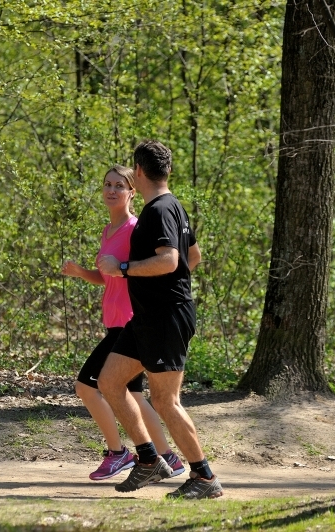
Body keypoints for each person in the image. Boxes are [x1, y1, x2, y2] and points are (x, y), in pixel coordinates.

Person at [97, 140, 223, 499]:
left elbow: (170, 260)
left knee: (166, 401)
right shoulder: (172, 206)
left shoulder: (160, 210)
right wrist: (163, 285)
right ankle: (150, 460)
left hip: (166, 318)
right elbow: (192, 257)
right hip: (149, 317)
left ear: (138, 172)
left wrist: (123, 269)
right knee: (109, 381)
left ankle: (204, 477)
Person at [61, 164, 185, 482]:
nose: (112, 190)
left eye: (119, 185)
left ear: (132, 191)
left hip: (130, 322)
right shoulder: (108, 231)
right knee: (133, 395)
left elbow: (142, 268)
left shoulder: (134, 229)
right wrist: (80, 272)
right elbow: (108, 278)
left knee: (86, 386)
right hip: (115, 321)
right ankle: (168, 456)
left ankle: (119, 454)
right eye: (107, 184)